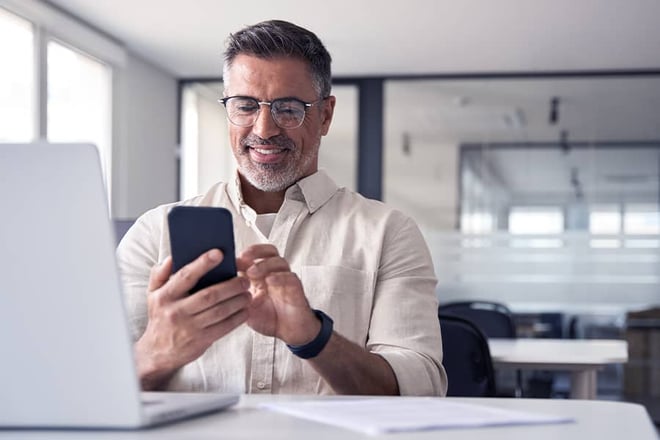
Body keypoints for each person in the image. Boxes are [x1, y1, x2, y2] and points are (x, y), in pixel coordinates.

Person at [117, 19, 447, 396]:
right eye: (244, 106)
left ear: (325, 115)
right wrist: (161, 348)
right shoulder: (153, 232)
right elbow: (95, 388)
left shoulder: (389, 232)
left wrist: (312, 336)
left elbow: (421, 388)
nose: (264, 128)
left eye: (288, 109)